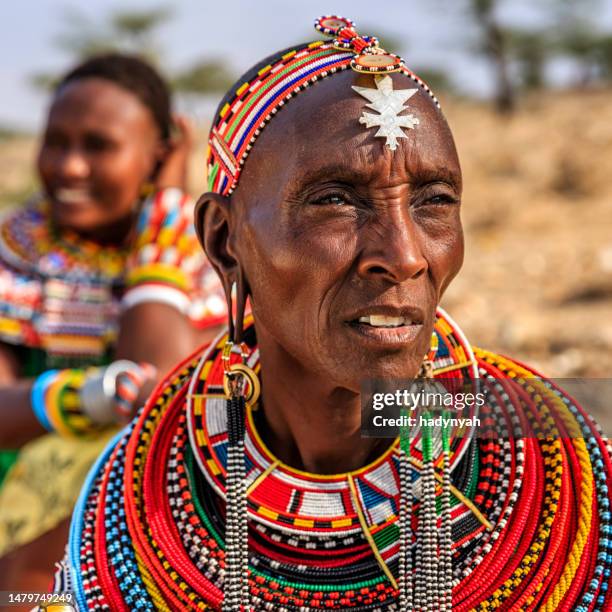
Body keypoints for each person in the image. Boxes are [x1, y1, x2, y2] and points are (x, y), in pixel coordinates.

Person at [52, 17, 612, 611]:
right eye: (336, 200)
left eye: (435, 200)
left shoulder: (562, 468)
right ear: (224, 241)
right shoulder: (137, 492)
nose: (403, 256)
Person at [0, 54, 225, 588]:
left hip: (147, 518)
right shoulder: (14, 255)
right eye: (56, 141)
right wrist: (88, 396)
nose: (69, 166)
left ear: (158, 155)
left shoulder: (211, 264)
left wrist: (165, 226)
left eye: (98, 146)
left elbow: (158, 387)